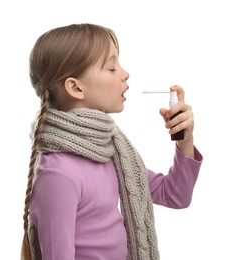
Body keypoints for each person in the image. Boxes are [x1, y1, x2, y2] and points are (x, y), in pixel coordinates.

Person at [20, 23, 203, 260]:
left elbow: (175, 195)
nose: (125, 73)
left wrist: (185, 139)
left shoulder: (111, 152)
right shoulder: (58, 174)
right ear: (76, 87)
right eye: (112, 68)